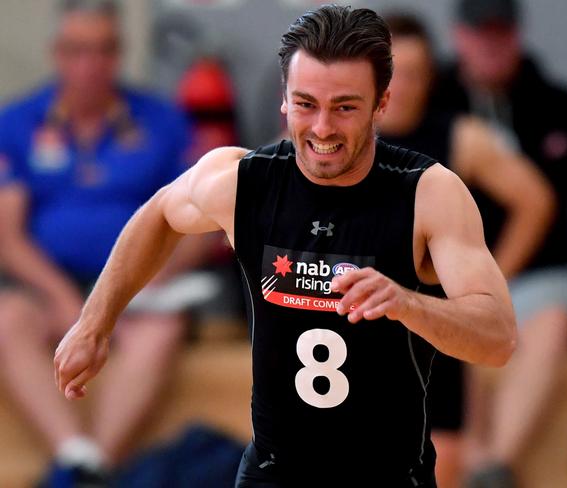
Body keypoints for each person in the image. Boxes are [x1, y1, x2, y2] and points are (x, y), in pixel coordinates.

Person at [54, 5, 517, 488]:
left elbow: (498, 338)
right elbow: (159, 214)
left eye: (344, 107)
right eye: (305, 104)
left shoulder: (428, 193)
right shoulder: (244, 181)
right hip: (274, 474)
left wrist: (407, 304)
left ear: (381, 103)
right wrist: (94, 323)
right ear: (283, 100)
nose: (321, 128)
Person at [0, 1, 204, 485]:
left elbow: (202, 227)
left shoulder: (164, 122)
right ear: (57, 54)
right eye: (77, 51)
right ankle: (75, 453)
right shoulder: (18, 122)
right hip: (49, 283)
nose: (90, 65)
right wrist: (70, 302)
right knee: (7, 319)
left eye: (103, 51)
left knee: (162, 330)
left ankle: (86, 470)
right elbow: (7, 236)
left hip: (138, 283)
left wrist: (131, 290)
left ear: (119, 55)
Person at [378, 13, 556, 488]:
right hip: (357, 317)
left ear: (431, 76)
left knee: (442, 457)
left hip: (432, 316)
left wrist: (493, 281)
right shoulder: (336, 139)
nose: (401, 85)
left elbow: (535, 200)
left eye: (413, 73)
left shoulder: (460, 137)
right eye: (390, 71)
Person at [434, 1, 567, 486]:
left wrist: (494, 277)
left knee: (548, 322)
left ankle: (492, 469)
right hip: (451, 277)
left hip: (534, 280)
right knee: (447, 323)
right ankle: (475, 457)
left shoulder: (557, 103)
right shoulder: (438, 108)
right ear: (459, 36)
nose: (490, 42)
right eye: (478, 31)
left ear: (518, 34)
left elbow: (542, 199)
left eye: (501, 31)